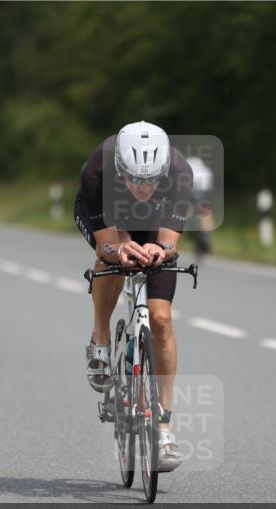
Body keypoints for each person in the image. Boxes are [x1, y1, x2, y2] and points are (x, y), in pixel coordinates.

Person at [75, 121, 193, 472]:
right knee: (109, 261)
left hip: (155, 224)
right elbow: (107, 241)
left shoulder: (179, 173)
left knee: (161, 318)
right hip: (110, 220)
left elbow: (170, 241)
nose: (143, 187)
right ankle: (100, 335)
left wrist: (160, 251)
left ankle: (164, 428)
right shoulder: (99, 167)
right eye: (136, 180)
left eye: (151, 180)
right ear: (121, 170)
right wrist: (120, 250)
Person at [185, 156, 215, 262]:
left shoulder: (188, 168)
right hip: (206, 192)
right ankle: (206, 236)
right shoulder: (206, 171)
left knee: (187, 210)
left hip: (194, 190)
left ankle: (188, 229)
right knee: (206, 214)